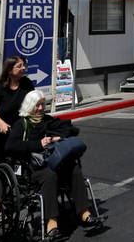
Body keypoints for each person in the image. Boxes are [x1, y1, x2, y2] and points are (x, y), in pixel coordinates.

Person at [5, 90, 97, 240]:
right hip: (31, 167)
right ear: (29, 106)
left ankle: (84, 213)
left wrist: (57, 137)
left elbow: (71, 129)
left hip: (53, 161)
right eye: (37, 105)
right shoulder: (21, 123)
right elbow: (10, 146)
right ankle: (51, 223)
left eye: (43, 105)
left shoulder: (47, 120)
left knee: (73, 168)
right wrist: (38, 144)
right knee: (50, 175)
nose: (41, 108)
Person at [0, 54, 34, 173]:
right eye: (19, 66)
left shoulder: (26, 84)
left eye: (24, 65)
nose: (24, 68)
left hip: (15, 132)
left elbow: (34, 103)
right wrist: (1, 124)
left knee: (19, 166)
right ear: (10, 70)